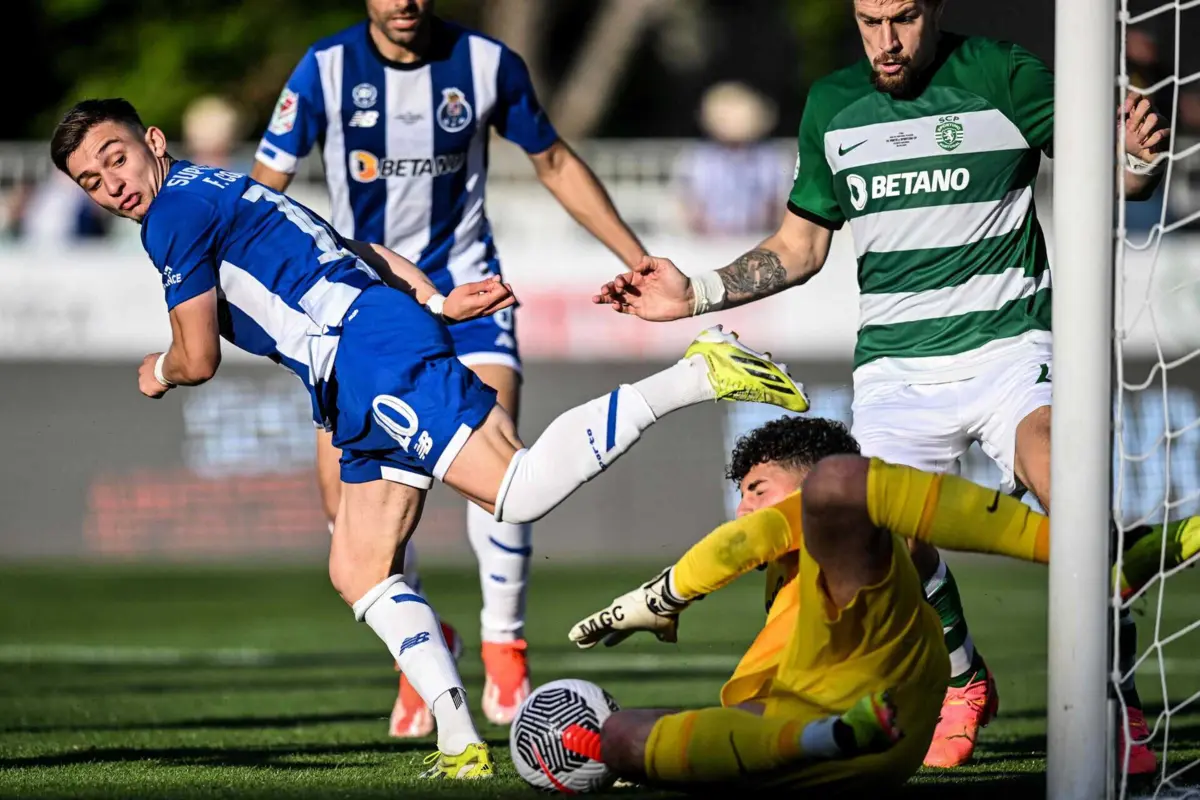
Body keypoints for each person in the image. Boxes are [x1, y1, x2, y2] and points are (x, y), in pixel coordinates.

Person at [50, 96, 808, 779]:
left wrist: (158, 371)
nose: (111, 184)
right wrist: (436, 301)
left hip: (364, 350)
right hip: (353, 361)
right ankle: (457, 739)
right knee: (358, 568)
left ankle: (698, 373)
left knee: (514, 491)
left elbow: (198, 357)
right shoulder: (219, 186)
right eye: (90, 180)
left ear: (152, 141)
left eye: (115, 158)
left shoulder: (172, 216)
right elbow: (357, 249)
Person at [592, 0, 1170, 771]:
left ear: (932, 9)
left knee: (1067, 480)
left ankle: (1116, 699)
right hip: (898, 369)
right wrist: (692, 293)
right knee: (883, 534)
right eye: (869, 21)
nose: (885, 41)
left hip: (1009, 350)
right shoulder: (833, 104)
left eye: (901, 18)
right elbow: (800, 247)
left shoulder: (1000, 72)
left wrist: (1131, 160)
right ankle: (965, 679)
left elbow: (1116, 183)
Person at [249, 0, 648, 733]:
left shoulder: (487, 64)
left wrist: (639, 260)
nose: (403, 2)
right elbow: (260, 195)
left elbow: (553, 160)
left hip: (470, 296)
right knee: (350, 517)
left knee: (498, 472)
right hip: (362, 314)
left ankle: (504, 645)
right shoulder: (323, 71)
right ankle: (429, 641)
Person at [569, 415, 1199, 791]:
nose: (745, 506)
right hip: (792, 745)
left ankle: (1094, 555)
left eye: (756, 487)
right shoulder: (810, 564)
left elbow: (754, 535)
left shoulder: (832, 516)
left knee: (847, 484)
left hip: (881, 720)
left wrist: (663, 594)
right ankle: (820, 738)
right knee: (621, 733)